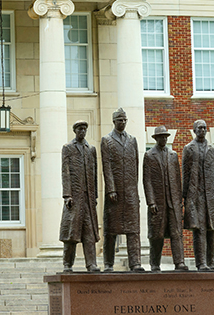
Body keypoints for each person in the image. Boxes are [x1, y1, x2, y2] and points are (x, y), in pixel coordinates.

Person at [100, 108, 144, 272]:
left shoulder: (132, 140)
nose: (123, 122)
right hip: (115, 192)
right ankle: (108, 264)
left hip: (131, 191)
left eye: (125, 120)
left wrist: (135, 189)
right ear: (114, 121)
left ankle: (135, 263)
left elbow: (136, 166)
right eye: (120, 120)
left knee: (133, 230)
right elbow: (107, 166)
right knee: (111, 231)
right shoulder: (107, 140)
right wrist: (111, 189)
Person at [143, 125, 189, 272]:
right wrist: (151, 202)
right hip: (158, 202)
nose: (163, 139)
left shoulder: (173, 155)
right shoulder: (149, 155)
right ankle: (155, 264)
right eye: (161, 136)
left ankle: (179, 262)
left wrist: (179, 202)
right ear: (156, 138)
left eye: (165, 136)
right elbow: (147, 181)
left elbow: (177, 179)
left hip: (173, 202)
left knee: (176, 233)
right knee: (157, 235)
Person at [182, 119, 214, 271]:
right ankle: (201, 263)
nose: (202, 130)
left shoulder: (213, 149)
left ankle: (211, 262)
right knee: (199, 229)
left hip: (211, 195)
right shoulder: (188, 148)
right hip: (196, 195)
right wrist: (185, 197)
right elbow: (185, 174)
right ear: (194, 130)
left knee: (212, 229)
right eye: (199, 128)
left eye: (205, 128)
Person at [59, 120, 100, 272]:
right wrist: (67, 195)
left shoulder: (91, 149)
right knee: (71, 234)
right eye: (80, 129)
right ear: (75, 131)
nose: (82, 131)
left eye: (84, 129)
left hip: (88, 200)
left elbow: (94, 174)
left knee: (89, 233)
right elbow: (65, 172)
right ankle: (67, 264)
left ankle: (91, 264)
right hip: (74, 199)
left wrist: (94, 196)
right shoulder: (68, 148)